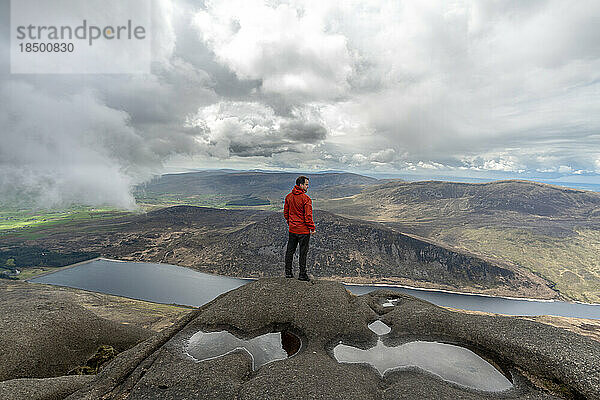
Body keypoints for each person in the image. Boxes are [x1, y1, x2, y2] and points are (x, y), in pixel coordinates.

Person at [283, 176, 316, 281]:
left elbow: (286, 213)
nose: (307, 187)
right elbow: (308, 216)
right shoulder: (306, 199)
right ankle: (302, 274)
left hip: (292, 229)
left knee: (290, 251)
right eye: (306, 184)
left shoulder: (288, 197)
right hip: (303, 231)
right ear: (301, 185)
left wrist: (290, 223)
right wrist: (312, 228)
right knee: (303, 253)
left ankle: (288, 273)